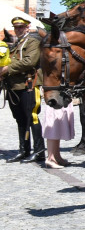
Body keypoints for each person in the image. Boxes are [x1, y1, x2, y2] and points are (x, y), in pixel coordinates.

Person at [2, 17, 44, 162]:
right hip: (14, 86)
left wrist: (7, 69)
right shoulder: (16, 43)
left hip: (28, 84)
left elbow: (29, 61)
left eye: (21, 27)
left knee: (32, 118)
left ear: (27, 27)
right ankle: (24, 150)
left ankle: (39, 151)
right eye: (16, 27)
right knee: (20, 119)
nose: (19, 30)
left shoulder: (33, 41)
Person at [40, 102, 74, 168]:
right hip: (54, 100)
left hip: (60, 98)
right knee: (53, 126)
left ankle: (56, 156)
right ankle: (50, 158)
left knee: (58, 127)